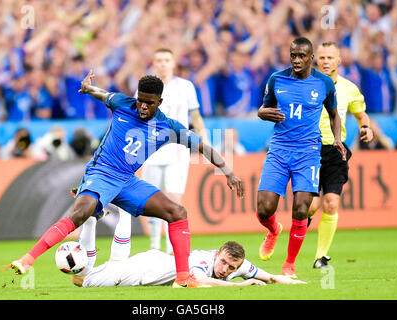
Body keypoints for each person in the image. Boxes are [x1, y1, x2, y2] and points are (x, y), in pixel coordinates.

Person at [7, 71, 245, 288]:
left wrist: (229, 172)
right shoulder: (123, 103)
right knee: (80, 213)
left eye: (148, 103)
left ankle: (183, 278)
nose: (142, 106)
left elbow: (203, 147)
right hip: (101, 172)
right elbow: (102, 94)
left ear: (159, 102)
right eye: (140, 100)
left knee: (178, 213)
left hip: (127, 181)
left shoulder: (169, 127)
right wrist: (88, 88)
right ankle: (28, 259)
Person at [255, 37, 346, 278]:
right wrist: (265, 114)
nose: (296, 60)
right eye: (293, 55)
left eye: (301, 56)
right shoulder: (277, 79)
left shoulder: (324, 83)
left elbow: (334, 114)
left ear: (311, 57)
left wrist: (337, 139)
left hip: (307, 153)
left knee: (302, 208)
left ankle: (289, 264)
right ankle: (273, 230)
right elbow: (263, 109)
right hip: (278, 150)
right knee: (264, 208)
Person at [112, 48, 208, 260]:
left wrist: (204, 140)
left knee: (174, 198)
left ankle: (170, 247)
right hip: (151, 152)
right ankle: (155, 245)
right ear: (154, 64)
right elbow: (136, 118)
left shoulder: (186, 86)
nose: (163, 64)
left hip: (177, 152)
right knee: (152, 199)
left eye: (166, 60)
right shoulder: (145, 88)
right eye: (159, 60)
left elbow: (196, 116)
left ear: (173, 63)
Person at [72, 216, 305, 288]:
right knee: (79, 281)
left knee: (91, 275)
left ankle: (94, 220)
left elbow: (271, 278)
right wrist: (240, 285)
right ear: (217, 254)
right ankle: (94, 220)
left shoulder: (238, 264)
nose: (225, 270)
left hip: (156, 262)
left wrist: (299, 283)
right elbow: (196, 280)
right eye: (223, 262)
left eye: (232, 268)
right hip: (144, 271)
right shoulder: (204, 260)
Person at [307, 42, 374, 269]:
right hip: (310, 150)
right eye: (322, 58)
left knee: (331, 202)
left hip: (336, 150)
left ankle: (321, 256)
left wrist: (366, 127)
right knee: (310, 206)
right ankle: (299, 229)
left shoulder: (349, 88)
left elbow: (360, 113)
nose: (326, 62)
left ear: (339, 61)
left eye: (330, 58)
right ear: (316, 59)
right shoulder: (306, 85)